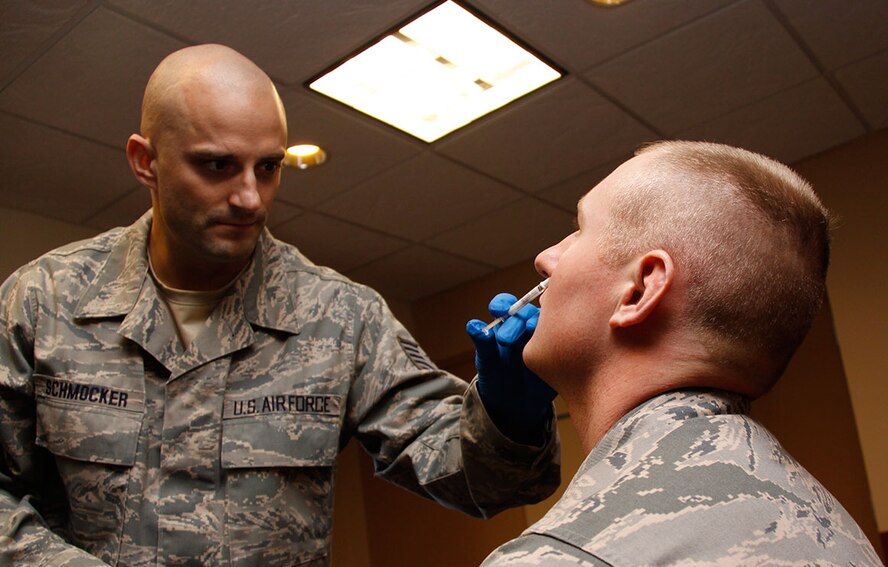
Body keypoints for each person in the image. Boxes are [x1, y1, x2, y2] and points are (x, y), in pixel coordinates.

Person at [0, 44, 559, 566]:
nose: (249, 198)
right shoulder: (44, 302)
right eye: (217, 165)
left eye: (268, 167)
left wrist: (511, 417)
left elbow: (480, 479)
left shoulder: (340, 315)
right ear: (145, 161)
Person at [475, 141, 882, 565]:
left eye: (579, 230)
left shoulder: (565, 554)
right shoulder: (835, 530)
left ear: (639, 291)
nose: (545, 258)